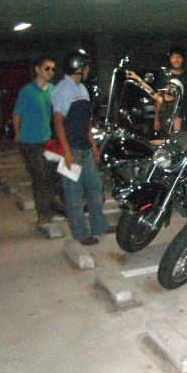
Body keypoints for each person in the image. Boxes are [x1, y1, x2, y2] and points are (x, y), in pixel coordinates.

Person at [52, 49, 109, 245]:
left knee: (95, 188)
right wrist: (66, 152)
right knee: (73, 195)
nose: (88, 69)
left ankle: (99, 226)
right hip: (70, 151)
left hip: (85, 149)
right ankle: (80, 233)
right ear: (78, 67)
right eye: (86, 66)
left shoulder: (82, 89)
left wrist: (93, 146)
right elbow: (58, 121)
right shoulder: (63, 90)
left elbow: (86, 122)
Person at [12, 56, 57, 231]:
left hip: (47, 140)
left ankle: (49, 211)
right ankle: (43, 216)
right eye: (47, 68)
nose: (50, 72)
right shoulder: (27, 91)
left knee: (52, 176)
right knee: (39, 177)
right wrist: (18, 133)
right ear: (37, 69)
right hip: (30, 142)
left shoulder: (52, 89)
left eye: (53, 69)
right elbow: (17, 115)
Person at [129, 45, 187, 136]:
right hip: (164, 119)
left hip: (182, 118)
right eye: (173, 57)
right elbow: (153, 94)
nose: (176, 60)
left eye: (179, 57)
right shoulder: (163, 76)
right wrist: (136, 78)